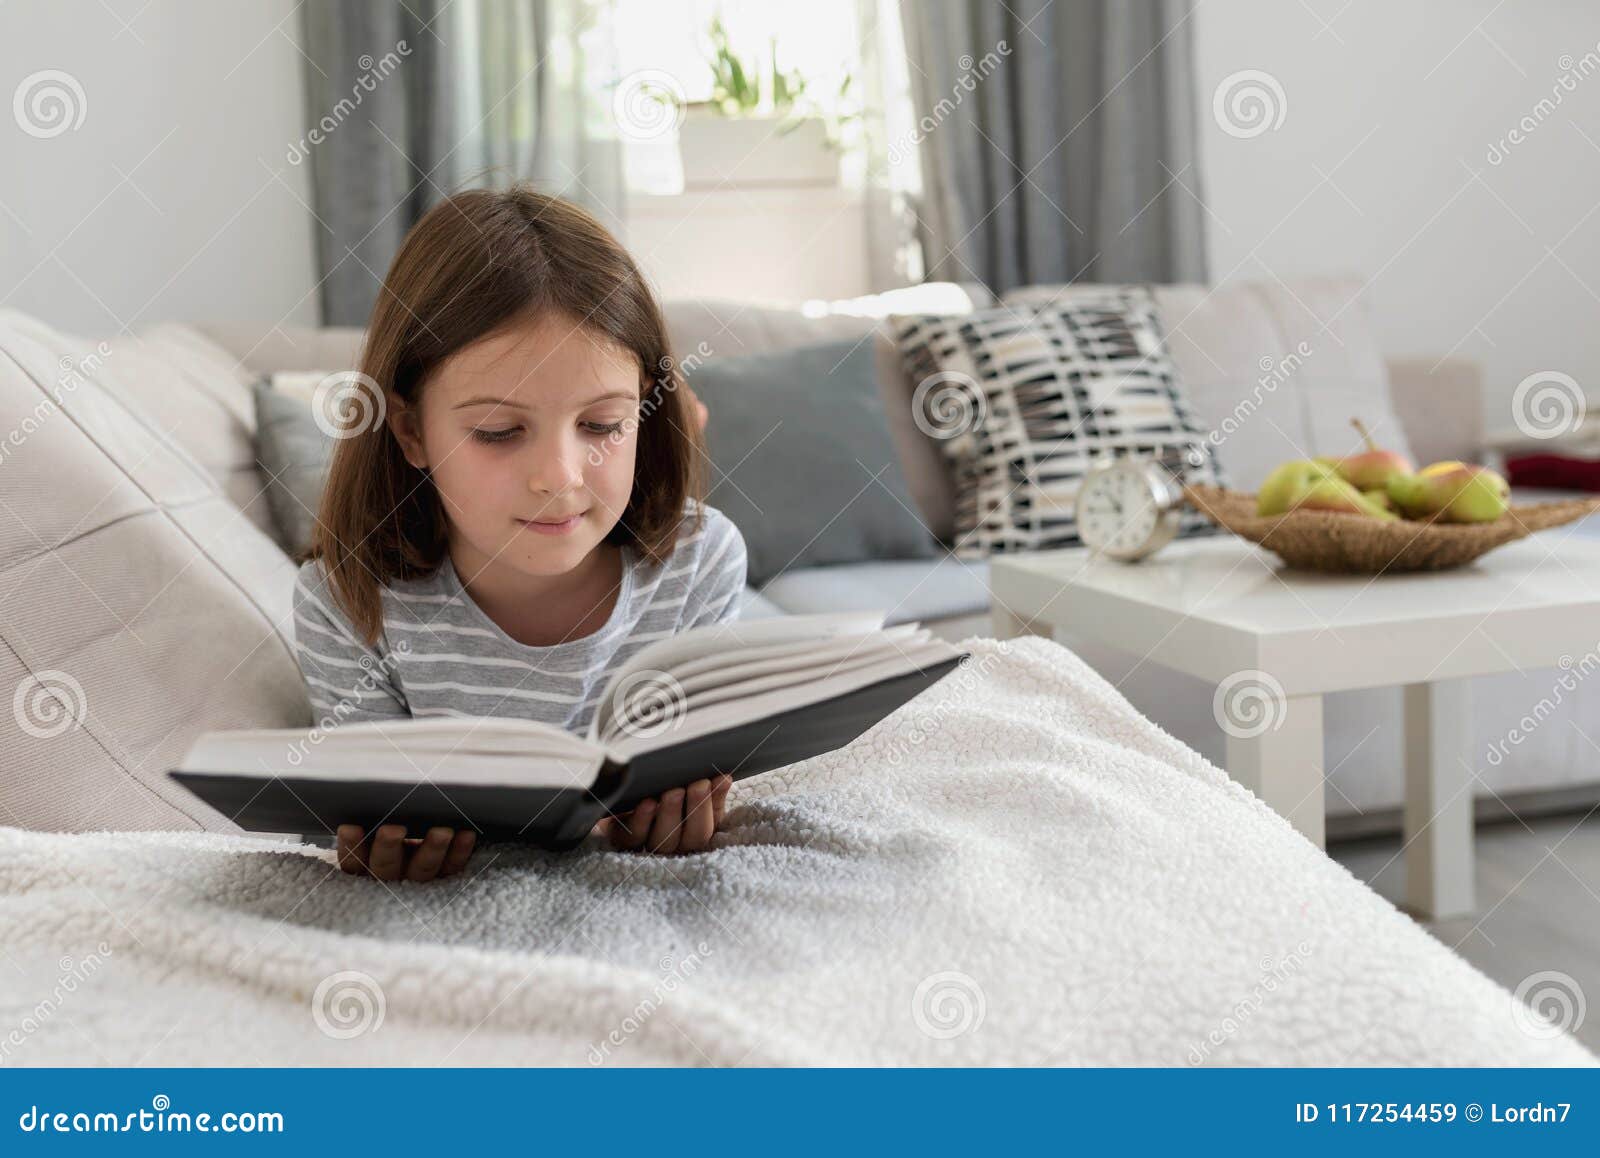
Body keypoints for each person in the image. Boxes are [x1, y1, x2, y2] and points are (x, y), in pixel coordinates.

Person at [291, 186, 743, 881]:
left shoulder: (700, 563)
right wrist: (376, 844)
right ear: (411, 430)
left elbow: (708, 767)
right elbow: (368, 810)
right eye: (499, 433)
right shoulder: (345, 600)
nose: (559, 478)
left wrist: (692, 801)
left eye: (601, 426)